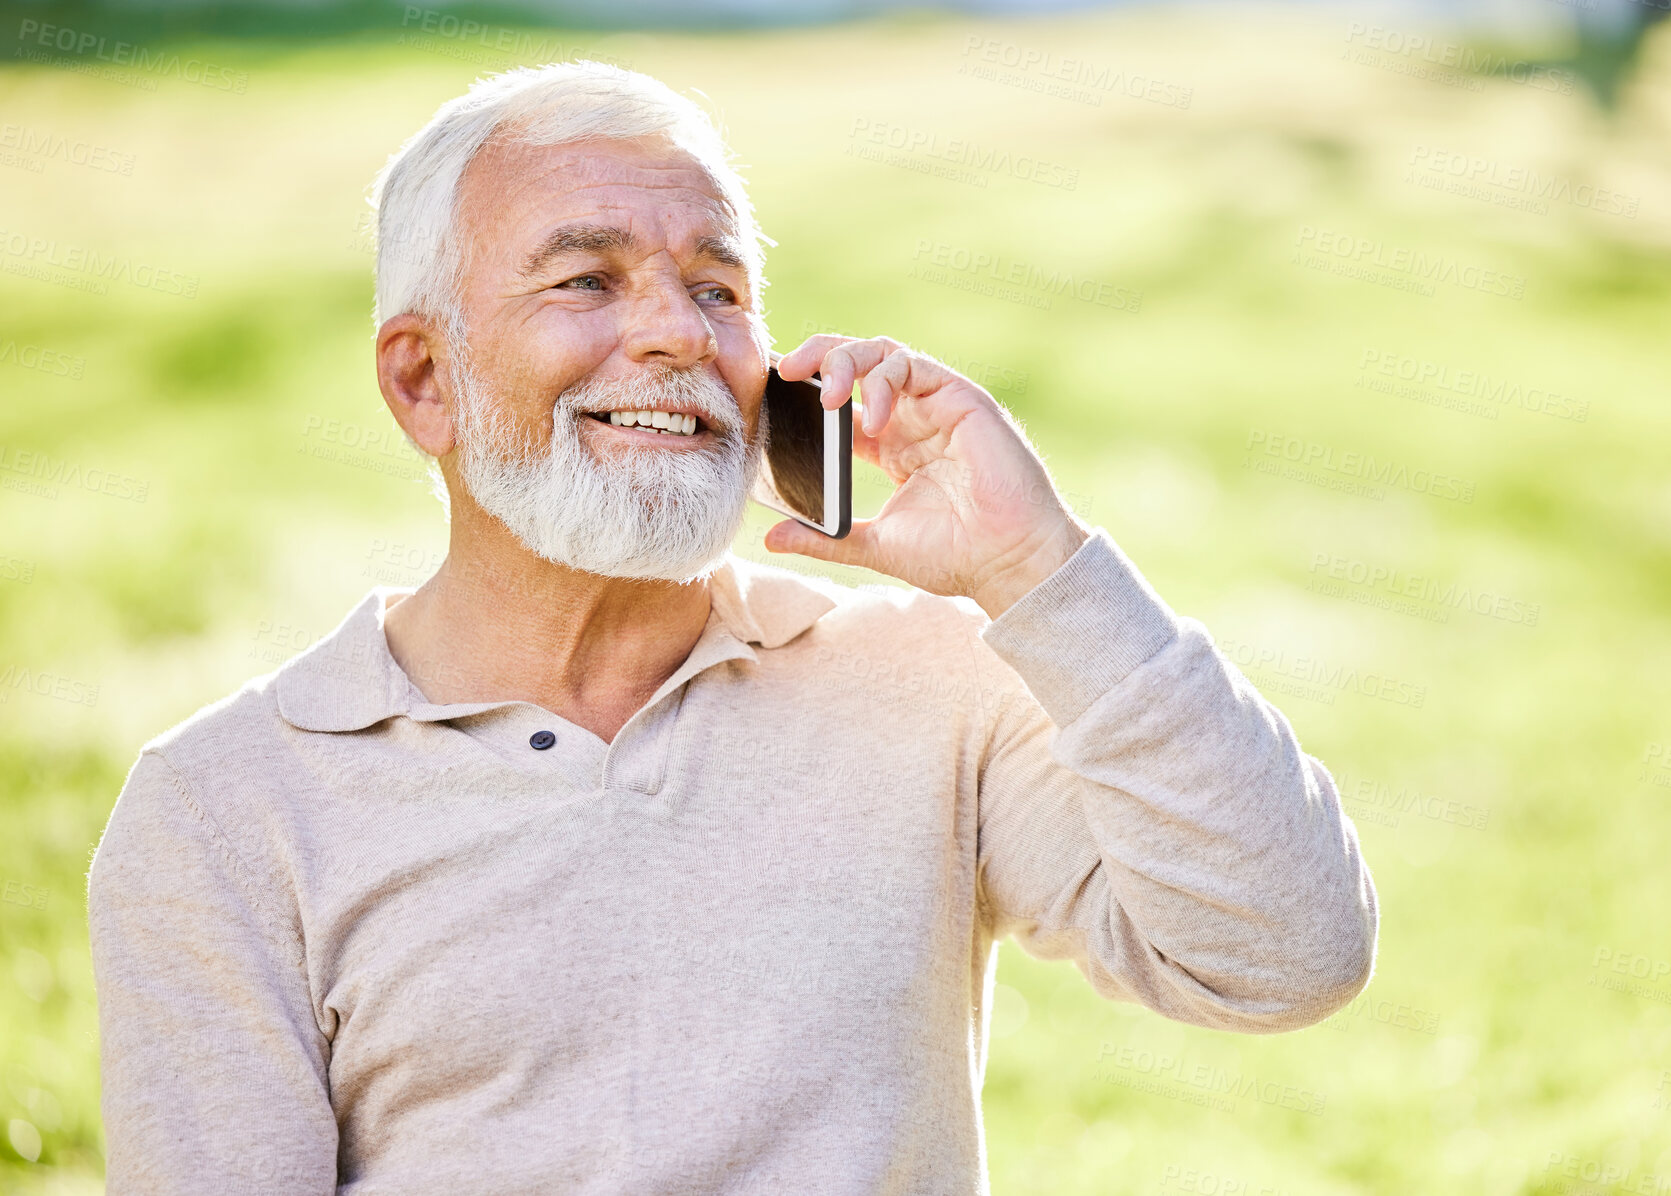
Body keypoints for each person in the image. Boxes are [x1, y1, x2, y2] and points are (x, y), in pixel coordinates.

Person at [87, 60, 1378, 1195]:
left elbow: (1288, 957)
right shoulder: (225, 810)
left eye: (718, 290)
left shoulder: (930, 686)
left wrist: (1039, 566)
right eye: (586, 279)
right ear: (426, 380)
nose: (673, 335)